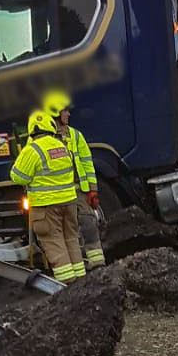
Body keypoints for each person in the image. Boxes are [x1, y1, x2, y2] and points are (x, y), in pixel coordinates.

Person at [9, 110, 83, 281]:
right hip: (70, 202)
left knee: (54, 243)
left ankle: (68, 284)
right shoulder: (62, 146)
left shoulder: (32, 150)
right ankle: (82, 278)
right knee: (71, 239)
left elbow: (18, 177)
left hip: (46, 207)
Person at [42, 91, 105, 271]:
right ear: (55, 113)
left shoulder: (76, 136)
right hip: (58, 195)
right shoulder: (45, 140)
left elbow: (87, 164)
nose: (68, 114)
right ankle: (73, 269)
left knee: (89, 225)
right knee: (65, 232)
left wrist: (92, 190)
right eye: (64, 111)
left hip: (78, 192)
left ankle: (97, 264)